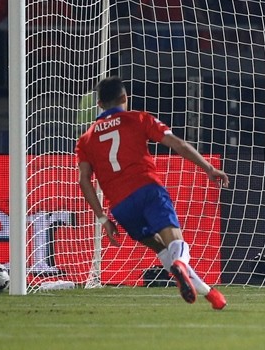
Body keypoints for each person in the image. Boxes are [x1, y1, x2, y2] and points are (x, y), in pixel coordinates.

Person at [76, 76, 229, 309]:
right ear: (124, 98)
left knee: (160, 247)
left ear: (98, 104)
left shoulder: (86, 139)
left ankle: (210, 295)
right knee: (176, 244)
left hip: (121, 206)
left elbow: (84, 181)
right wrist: (208, 167)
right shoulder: (138, 119)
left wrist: (103, 218)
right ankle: (180, 266)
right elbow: (179, 144)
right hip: (147, 189)